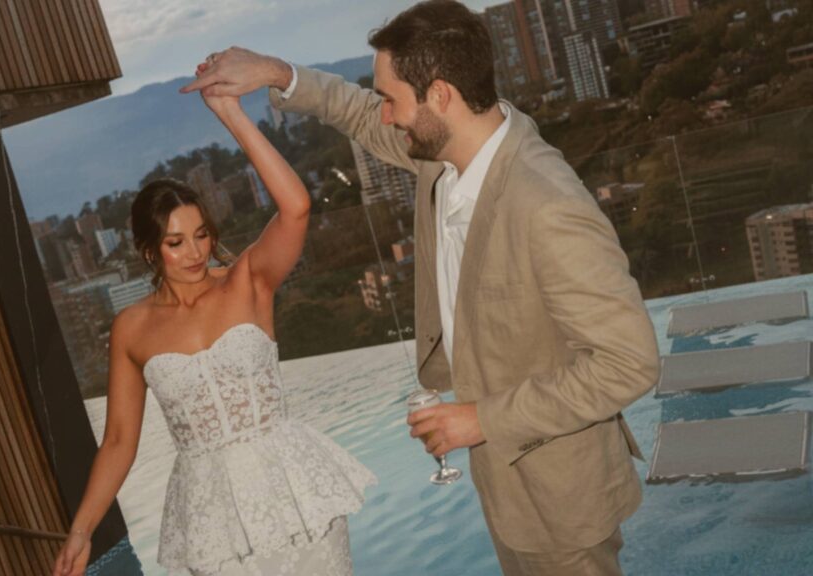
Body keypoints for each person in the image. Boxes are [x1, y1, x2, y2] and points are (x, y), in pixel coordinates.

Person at [181, 1, 660, 574]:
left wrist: (479, 419)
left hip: (562, 495)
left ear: (439, 94)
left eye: (392, 100)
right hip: (510, 484)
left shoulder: (547, 205)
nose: (385, 116)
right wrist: (277, 74)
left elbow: (629, 363)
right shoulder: (444, 160)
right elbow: (356, 115)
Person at [53, 59, 376, 576]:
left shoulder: (247, 281)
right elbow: (118, 440)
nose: (195, 252)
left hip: (292, 495)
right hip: (212, 520)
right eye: (176, 242)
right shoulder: (131, 329)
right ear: (147, 251)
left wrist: (232, 114)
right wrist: (81, 529)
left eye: (202, 234)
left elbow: (295, 208)